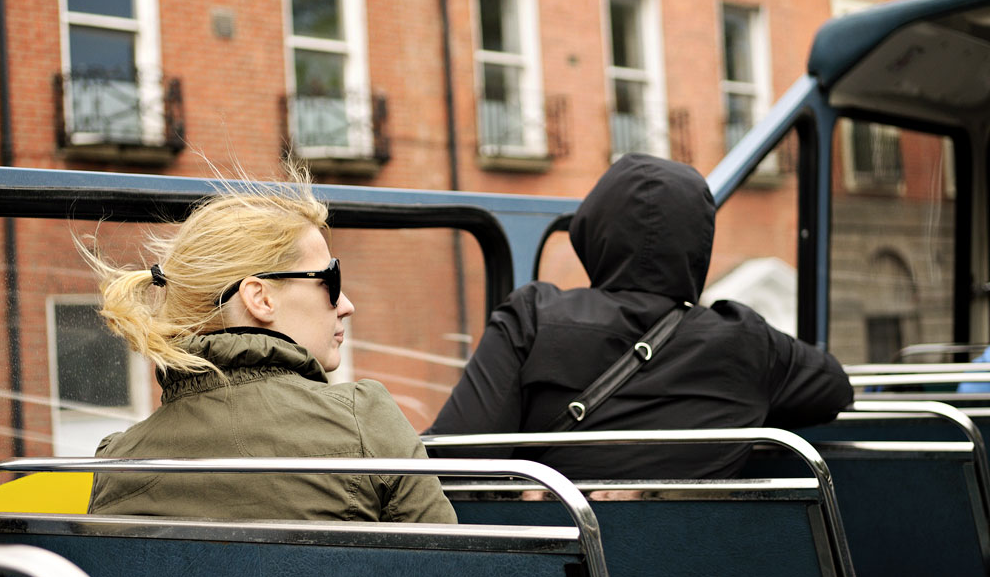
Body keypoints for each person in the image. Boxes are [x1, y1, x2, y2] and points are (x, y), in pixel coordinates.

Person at [426, 154, 853, 480]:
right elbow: (835, 389)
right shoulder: (749, 344)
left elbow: (456, 457)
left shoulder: (533, 316)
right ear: (698, 246)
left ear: (592, 234)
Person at [81, 172, 456, 523]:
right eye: (331, 280)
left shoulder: (115, 463)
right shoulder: (366, 420)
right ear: (259, 298)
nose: (346, 305)